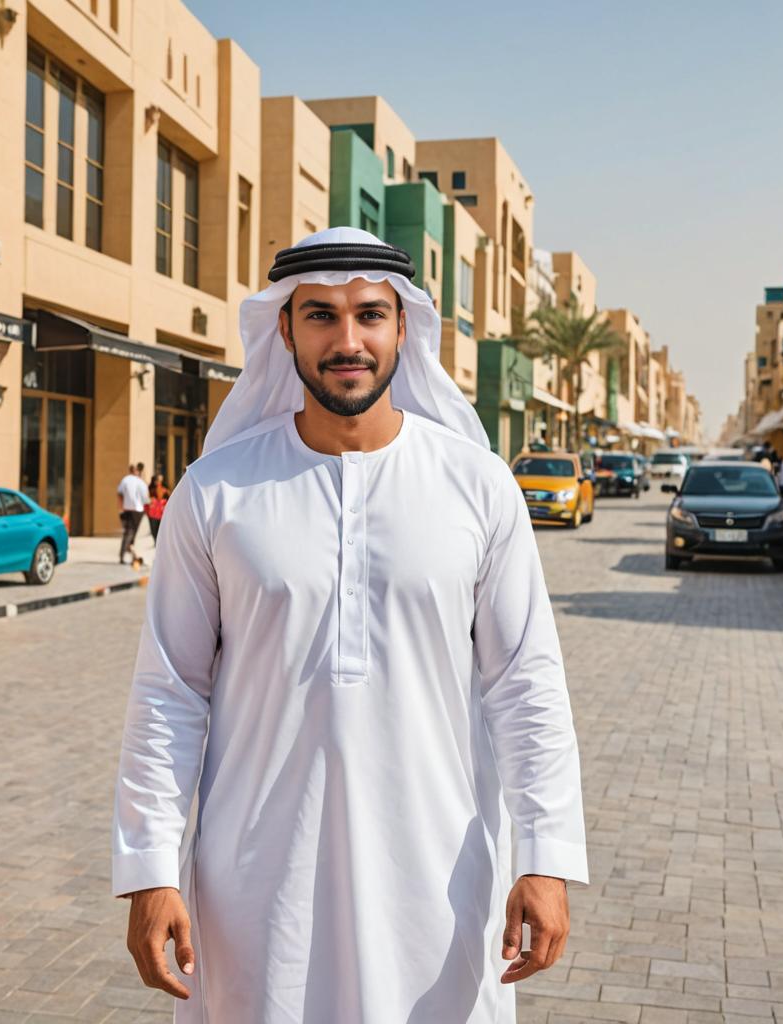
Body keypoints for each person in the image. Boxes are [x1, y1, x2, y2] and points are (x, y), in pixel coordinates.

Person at [111, 228, 588, 1023]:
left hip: (437, 881)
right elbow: (170, 690)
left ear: (405, 328)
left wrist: (546, 858)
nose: (347, 339)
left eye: (370, 314)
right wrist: (152, 866)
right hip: (257, 888)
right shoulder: (215, 490)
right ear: (285, 330)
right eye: (320, 316)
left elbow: (525, 685)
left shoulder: (478, 488)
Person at [116, 462, 149, 567]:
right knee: (133, 534)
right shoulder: (140, 482)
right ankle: (128, 554)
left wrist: (121, 507)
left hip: (127, 509)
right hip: (138, 510)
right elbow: (145, 497)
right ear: (136, 471)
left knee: (128, 533)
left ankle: (125, 555)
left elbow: (119, 493)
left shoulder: (124, 480)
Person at [146, 473, 169, 546]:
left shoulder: (165, 489)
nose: (158, 482)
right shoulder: (150, 489)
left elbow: (168, 499)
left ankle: (158, 543)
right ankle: (156, 541)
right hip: (152, 512)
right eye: (157, 480)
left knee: (160, 529)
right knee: (153, 530)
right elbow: (147, 500)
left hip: (161, 512)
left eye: (159, 480)